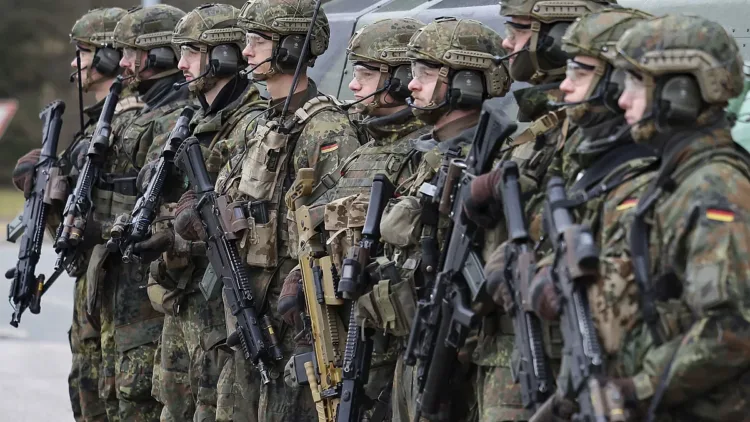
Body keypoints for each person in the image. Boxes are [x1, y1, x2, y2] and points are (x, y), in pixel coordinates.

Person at [173, 0, 361, 420]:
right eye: (246, 40)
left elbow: (340, 227)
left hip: (295, 322)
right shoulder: (263, 125)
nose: (246, 51)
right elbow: (230, 194)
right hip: (250, 307)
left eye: (258, 41)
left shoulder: (325, 129)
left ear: (292, 48)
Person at [587, 14, 750, 421]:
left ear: (679, 93)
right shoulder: (679, 177)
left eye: (636, 84)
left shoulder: (713, 187)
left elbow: (731, 329)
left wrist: (640, 387)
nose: (622, 101)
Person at [460, 1, 616, 420]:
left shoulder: (587, 135)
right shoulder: (541, 125)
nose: (506, 43)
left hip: (555, 342)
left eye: (520, 30)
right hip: (510, 335)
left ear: (559, 39)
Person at [279, 17, 427, 421]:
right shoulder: (363, 151)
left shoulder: (419, 153)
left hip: (388, 338)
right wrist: (299, 276)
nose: (354, 85)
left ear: (398, 81)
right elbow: (324, 223)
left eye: (364, 74)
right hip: (344, 328)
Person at [129, 4, 267, 421]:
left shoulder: (251, 124)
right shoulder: (193, 120)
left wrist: (176, 234)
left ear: (223, 56)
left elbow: (240, 217)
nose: (181, 64)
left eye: (191, 51)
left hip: (219, 304)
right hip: (182, 300)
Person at [11, 7, 144, 421]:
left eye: (83, 52)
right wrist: (46, 188)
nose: (74, 63)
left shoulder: (136, 126)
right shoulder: (94, 129)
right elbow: (70, 226)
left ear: (108, 57)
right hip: (92, 302)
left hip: (126, 305)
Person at [380, 17, 512, 421]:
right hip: (419, 339)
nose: (411, 85)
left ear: (466, 83)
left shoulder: (487, 162)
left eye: (424, 73)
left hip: (460, 354)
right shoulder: (429, 155)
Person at [90, 5, 191, 421]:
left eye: (132, 53)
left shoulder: (174, 116)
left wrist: (104, 228)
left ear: (161, 56)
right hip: (124, 285)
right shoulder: (144, 113)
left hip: (149, 292)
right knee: (116, 393)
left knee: (139, 399)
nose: (124, 63)